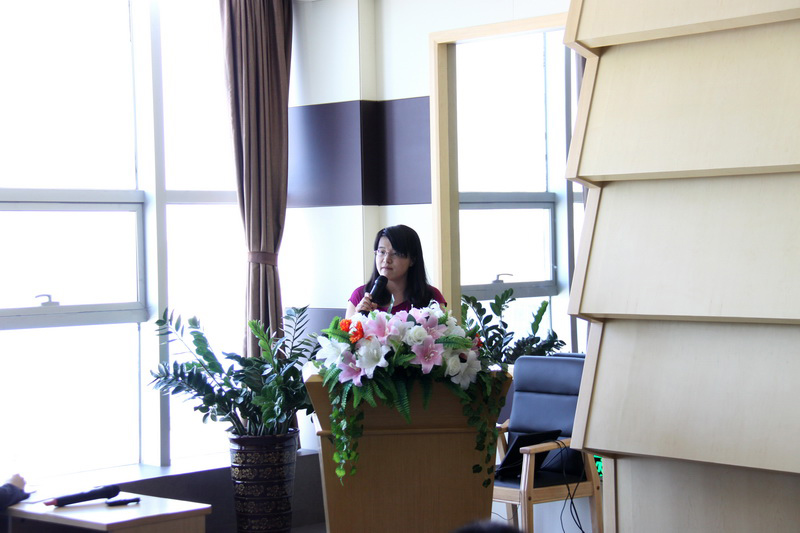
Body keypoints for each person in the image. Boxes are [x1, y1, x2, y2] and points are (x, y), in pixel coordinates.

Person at [346, 225, 446, 318]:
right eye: (382, 252)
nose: (386, 260)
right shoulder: (359, 295)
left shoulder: (431, 296)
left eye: (396, 253)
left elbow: (443, 330)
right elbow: (346, 331)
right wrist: (358, 318)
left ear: (412, 260)